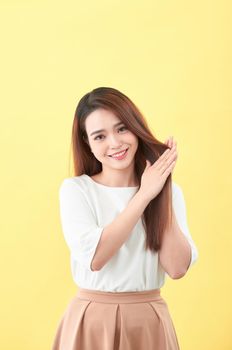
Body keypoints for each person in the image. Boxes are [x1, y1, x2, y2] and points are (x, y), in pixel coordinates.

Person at [51, 87, 199, 350]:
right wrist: (143, 195)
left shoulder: (168, 191)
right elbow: (95, 258)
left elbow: (177, 268)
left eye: (122, 129)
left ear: (135, 128)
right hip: (92, 322)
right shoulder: (77, 190)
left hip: (150, 323)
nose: (115, 143)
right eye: (100, 136)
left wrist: (160, 191)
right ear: (88, 143)